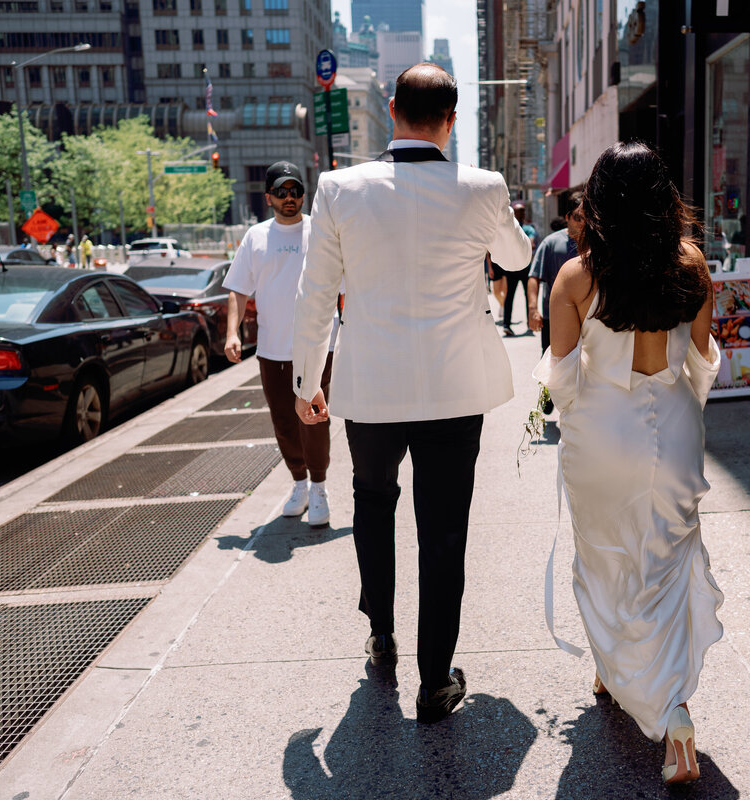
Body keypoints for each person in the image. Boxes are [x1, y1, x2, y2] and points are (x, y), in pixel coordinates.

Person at [291, 63, 531, 724]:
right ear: (452, 120)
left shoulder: (340, 188)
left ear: (392, 108)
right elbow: (515, 260)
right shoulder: (482, 188)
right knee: (444, 529)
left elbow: (315, 295)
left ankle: (381, 632)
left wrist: (307, 383)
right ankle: (435, 679)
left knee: (372, 502)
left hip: (370, 384)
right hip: (455, 387)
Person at [532, 141, 723, 786]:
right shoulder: (691, 265)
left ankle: (614, 672)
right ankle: (676, 714)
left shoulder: (576, 278)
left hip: (601, 430)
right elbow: (700, 363)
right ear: (665, 199)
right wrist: (677, 416)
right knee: (666, 561)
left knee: (605, 554)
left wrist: (559, 412)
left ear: (601, 203)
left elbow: (561, 377)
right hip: (672, 423)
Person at [223, 161, 331, 527]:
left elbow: (346, 287)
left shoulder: (322, 232)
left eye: (296, 191)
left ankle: (319, 487)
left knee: (314, 421)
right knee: (284, 421)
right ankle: (299, 483)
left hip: (317, 347)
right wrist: (232, 333)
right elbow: (238, 289)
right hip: (272, 349)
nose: (290, 198)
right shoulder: (256, 237)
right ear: (268, 197)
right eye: (282, 192)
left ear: (304, 194)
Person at [526, 194, 584, 355]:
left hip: (587, 320)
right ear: (567, 217)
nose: (582, 223)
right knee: (553, 368)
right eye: (577, 218)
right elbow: (534, 277)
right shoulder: (551, 243)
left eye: (587, 218)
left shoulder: (595, 244)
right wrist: (533, 309)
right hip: (555, 319)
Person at [499, 202, 536, 336]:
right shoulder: (509, 229)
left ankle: (530, 324)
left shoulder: (528, 228)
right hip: (512, 267)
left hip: (526, 268)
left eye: (522, 212)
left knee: (528, 295)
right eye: (519, 212)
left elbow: (531, 244)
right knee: (510, 296)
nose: (521, 214)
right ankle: (506, 324)